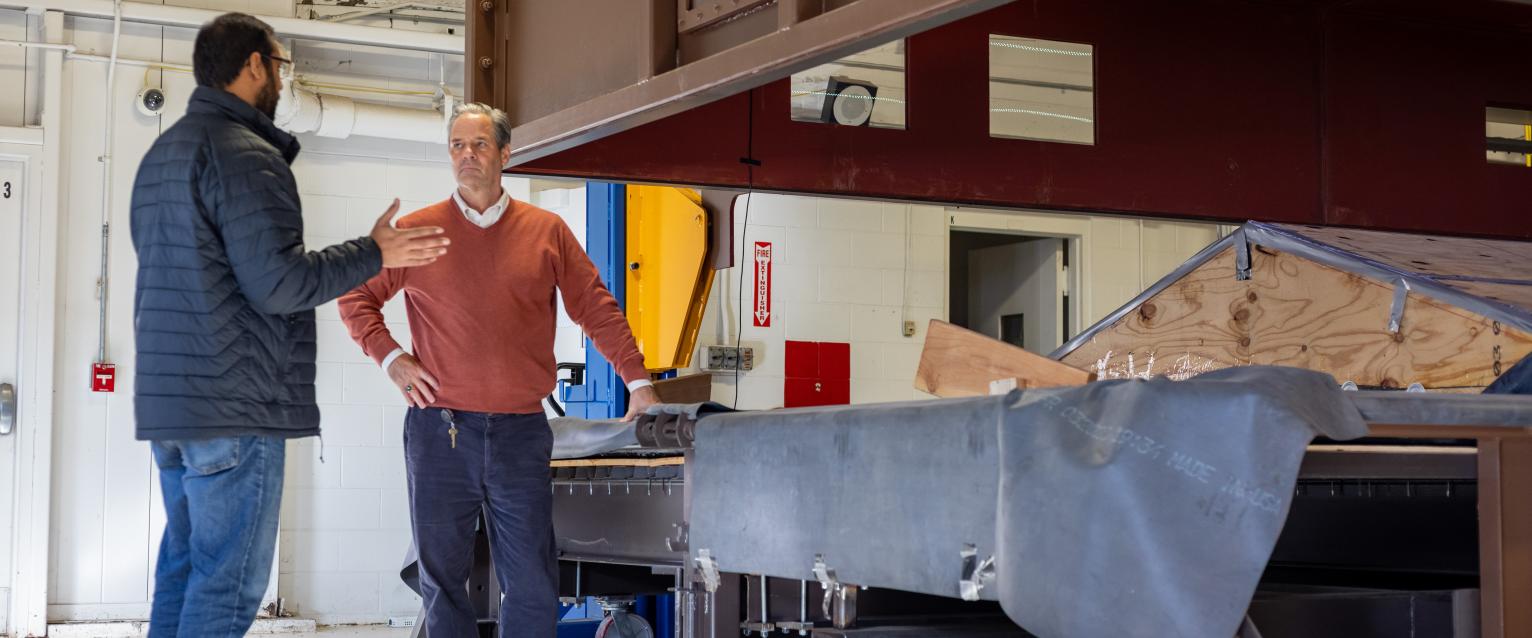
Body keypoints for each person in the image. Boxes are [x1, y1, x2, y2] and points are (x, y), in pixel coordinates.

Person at [129, 13, 450, 638]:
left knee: (185, 567)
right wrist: (374, 252)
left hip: (175, 407)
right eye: (279, 64)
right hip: (234, 406)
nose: (281, 77)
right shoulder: (247, 155)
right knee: (228, 584)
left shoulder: (162, 155)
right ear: (254, 66)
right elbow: (280, 284)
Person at [337, 102, 659, 637]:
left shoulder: (546, 231)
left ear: (505, 154)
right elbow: (355, 297)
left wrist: (639, 382)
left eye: (480, 144)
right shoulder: (418, 231)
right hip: (441, 432)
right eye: (458, 145)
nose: (467, 155)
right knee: (442, 580)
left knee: (532, 579)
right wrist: (392, 358)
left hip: (519, 433)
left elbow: (595, 306)